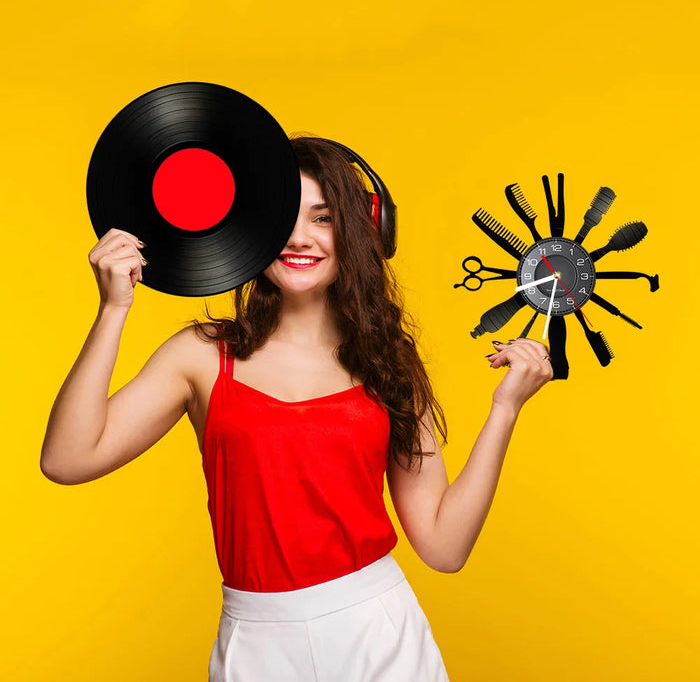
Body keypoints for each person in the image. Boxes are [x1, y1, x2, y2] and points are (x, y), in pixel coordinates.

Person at [41, 136, 553, 681]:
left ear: (361, 231)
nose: (299, 238)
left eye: (324, 217)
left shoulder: (389, 362)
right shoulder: (201, 355)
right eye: (283, 215)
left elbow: (444, 547)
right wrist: (114, 308)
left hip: (378, 634)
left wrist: (505, 409)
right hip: (254, 640)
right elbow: (67, 460)